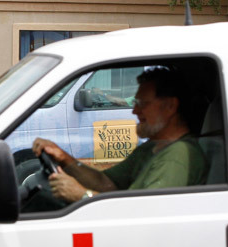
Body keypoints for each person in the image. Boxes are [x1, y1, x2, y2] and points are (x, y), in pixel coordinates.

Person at [32, 67, 208, 203]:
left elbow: (146, 218)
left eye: (142, 103)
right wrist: (64, 158)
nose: (134, 110)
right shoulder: (152, 148)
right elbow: (106, 182)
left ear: (170, 106)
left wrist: (83, 196)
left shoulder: (178, 156)